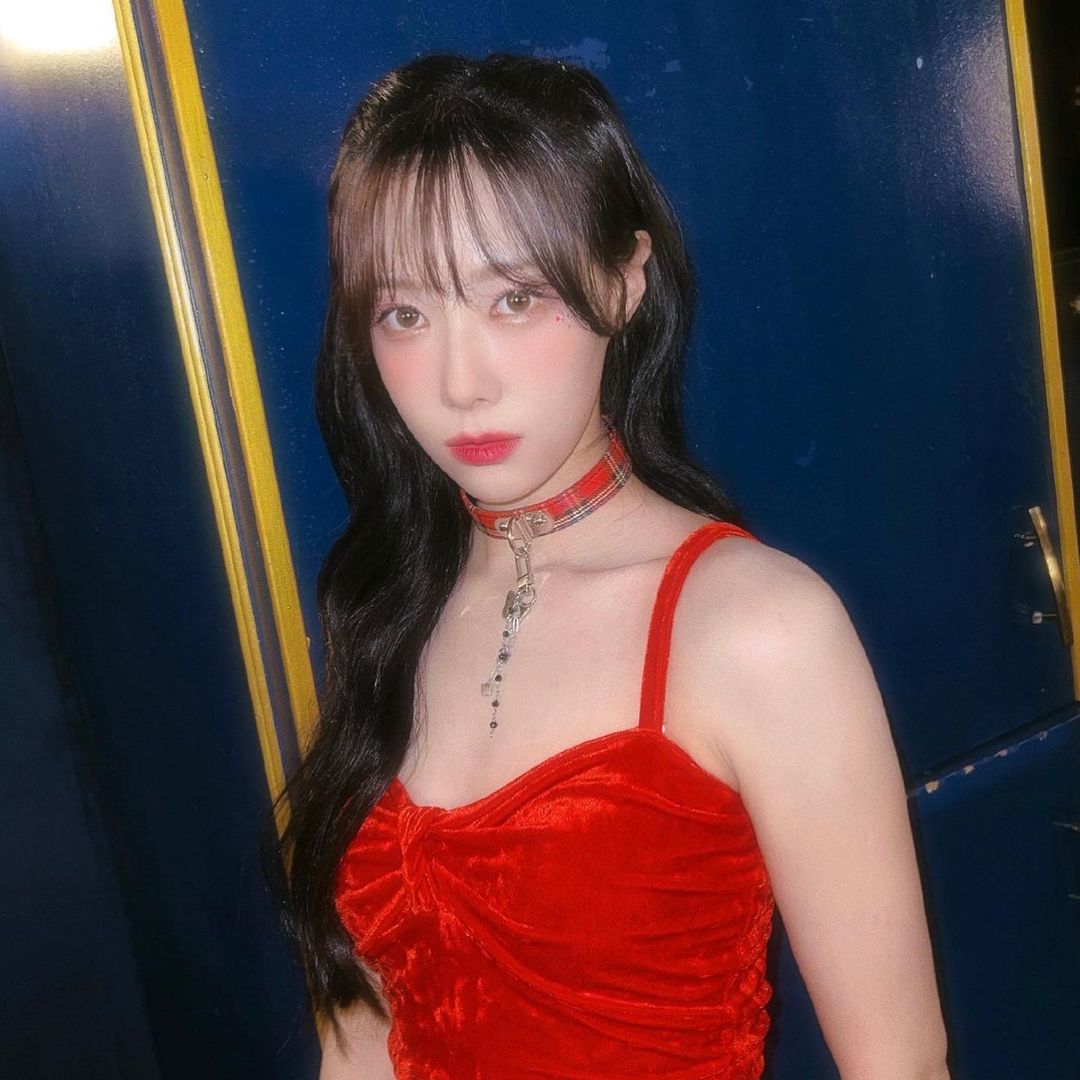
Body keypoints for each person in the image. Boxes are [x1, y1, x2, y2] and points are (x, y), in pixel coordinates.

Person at [267, 51, 951, 1079]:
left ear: (625, 282)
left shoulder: (757, 628)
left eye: (515, 299)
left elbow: (899, 1065)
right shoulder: (390, 605)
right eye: (405, 313)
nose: (459, 383)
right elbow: (361, 1037)